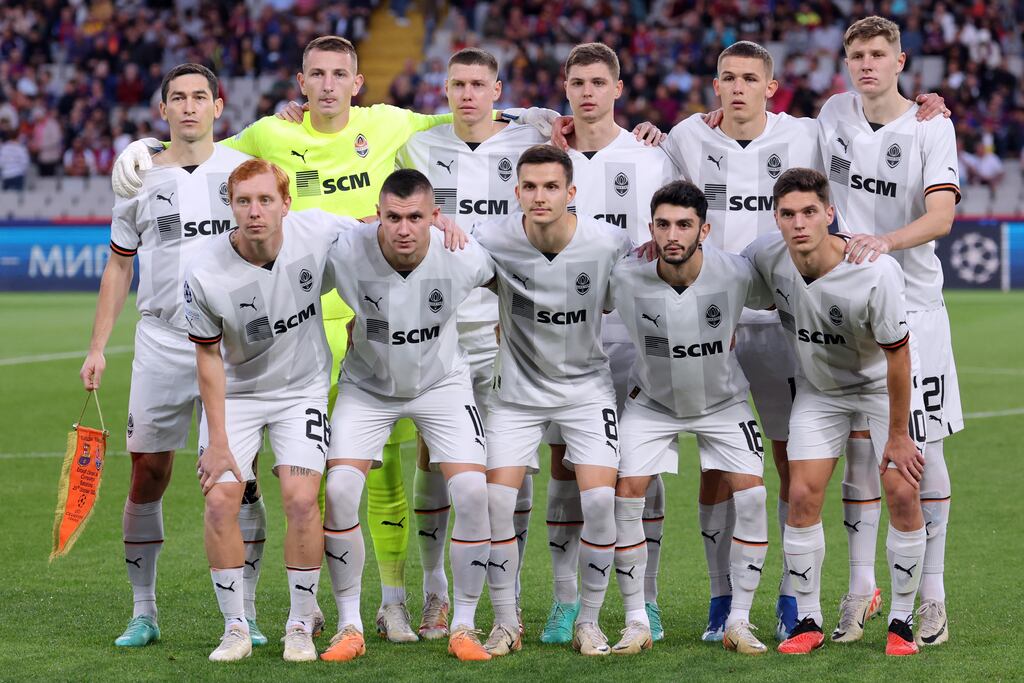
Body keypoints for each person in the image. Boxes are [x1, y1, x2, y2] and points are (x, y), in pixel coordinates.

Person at [78, 64, 266, 649]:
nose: (189, 107)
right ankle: (144, 611)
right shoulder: (138, 179)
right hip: (160, 342)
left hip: (230, 345)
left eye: (199, 97)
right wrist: (97, 347)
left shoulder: (240, 170)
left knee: (238, 479)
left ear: (218, 105)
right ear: (163, 110)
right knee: (147, 474)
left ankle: (247, 613)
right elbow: (118, 263)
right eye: (177, 98)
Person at [817, 16, 961, 647]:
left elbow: (942, 214)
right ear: (846, 62)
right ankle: (860, 589)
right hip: (844, 307)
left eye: (879, 54)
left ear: (902, 62)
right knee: (856, 448)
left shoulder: (933, 125)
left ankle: (932, 597)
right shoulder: (832, 115)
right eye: (857, 55)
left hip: (916, 308)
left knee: (916, 453)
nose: (867, 64)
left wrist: (883, 244)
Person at [743, 167, 928, 657]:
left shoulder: (874, 271)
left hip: (880, 388)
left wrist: (897, 434)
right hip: (820, 391)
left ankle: (902, 622)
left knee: (901, 491)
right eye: (787, 214)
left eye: (809, 212)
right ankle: (809, 619)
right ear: (776, 218)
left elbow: (899, 356)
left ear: (830, 213)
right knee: (801, 493)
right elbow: (715, 276)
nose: (798, 223)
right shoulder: (765, 256)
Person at [395, 47, 547, 639]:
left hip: (506, 327)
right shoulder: (420, 146)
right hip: (441, 327)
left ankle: (512, 593)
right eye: (457, 84)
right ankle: (436, 590)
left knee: (513, 461)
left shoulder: (527, 144)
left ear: (497, 90)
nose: (466, 95)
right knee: (436, 456)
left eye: (478, 85)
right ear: (446, 89)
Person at [184, 159, 359, 662]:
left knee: (302, 500)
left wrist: (436, 221)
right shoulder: (204, 270)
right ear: (231, 207)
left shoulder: (318, 230)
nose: (255, 211)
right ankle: (236, 626)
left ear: (286, 203)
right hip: (236, 395)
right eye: (244, 201)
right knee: (219, 501)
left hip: (300, 390)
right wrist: (217, 442)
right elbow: (208, 358)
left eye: (265, 200)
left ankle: (300, 623)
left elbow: (378, 230)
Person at [317, 169, 495, 663]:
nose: (403, 228)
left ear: (435, 217)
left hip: (442, 384)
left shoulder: (462, 254)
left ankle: (463, 623)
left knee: (473, 491)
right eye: (392, 217)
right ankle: (348, 623)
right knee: (339, 490)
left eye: (416, 217)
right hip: (368, 387)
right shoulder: (346, 249)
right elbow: (293, 254)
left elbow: (509, 282)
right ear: (377, 214)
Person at [540, 42, 678, 645]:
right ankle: (565, 601)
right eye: (577, 82)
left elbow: (680, 237)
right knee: (566, 465)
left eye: (599, 82)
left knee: (643, 465)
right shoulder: (545, 153)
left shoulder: (650, 156)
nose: (588, 92)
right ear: (564, 89)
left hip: (635, 332)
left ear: (618, 89)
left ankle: (644, 601)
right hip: (561, 333)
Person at [475, 145, 630, 657]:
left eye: (550, 186)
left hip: (586, 391)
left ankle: (588, 619)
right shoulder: (493, 240)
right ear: (516, 191)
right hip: (516, 395)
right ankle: (503, 622)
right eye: (529, 187)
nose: (539, 197)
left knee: (602, 502)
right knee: (496, 501)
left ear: (572, 192)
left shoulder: (608, 242)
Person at [608, 180, 774, 655]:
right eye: (662, 225)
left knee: (754, 495)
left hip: (723, 402)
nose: (672, 235)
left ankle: (738, 621)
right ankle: (637, 620)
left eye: (684, 225)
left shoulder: (737, 273)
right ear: (650, 229)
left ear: (705, 229)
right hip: (651, 404)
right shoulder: (623, 276)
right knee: (626, 496)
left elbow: (789, 284)